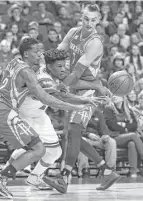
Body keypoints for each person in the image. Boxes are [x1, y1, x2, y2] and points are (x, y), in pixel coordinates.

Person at [0, 38, 87, 198]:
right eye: (36, 51)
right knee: (39, 149)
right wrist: (77, 106)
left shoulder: (13, 62)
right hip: (4, 111)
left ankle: (6, 179)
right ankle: (0, 178)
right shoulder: (27, 72)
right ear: (27, 53)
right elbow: (46, 98)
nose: (39, 54)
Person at [0, 48, 101, 196]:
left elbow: (65, 91)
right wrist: (80, 104)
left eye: (64, 65)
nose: (63, 69)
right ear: (49, 67)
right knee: (33, 149)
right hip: (24, 115)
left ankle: (34, 178)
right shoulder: (44, 79)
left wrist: (88, 98)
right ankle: (0, 178)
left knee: (55, 151)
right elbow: (60, 99)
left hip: (39, 115)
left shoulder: (52, 73)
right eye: (60, 66)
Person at [42, 4, 120, 194]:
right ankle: (106, 170)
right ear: (81, 17)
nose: (89, 23)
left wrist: (61, 85)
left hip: (86, 90)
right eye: (86, 18)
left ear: (98, 21)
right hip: (75, 87)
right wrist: (45, 67)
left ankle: (64, 178)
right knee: (72, 134)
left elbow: (77, 73)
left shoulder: (95, 43)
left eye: (93, 20)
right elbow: (58, 53)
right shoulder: (73, 32)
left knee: (74, 131)